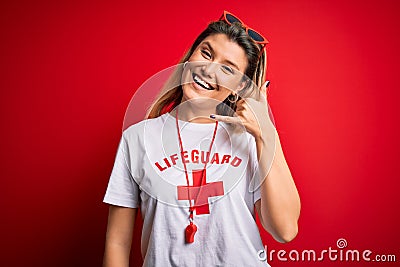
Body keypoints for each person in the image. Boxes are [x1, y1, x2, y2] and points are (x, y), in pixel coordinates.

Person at [103, 11, 300, 267]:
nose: (208, 69)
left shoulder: (249, 139)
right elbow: (117, 242)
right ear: (190, 56)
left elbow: (284, 230)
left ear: (240, 86)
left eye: (227, 69)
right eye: (206, 53)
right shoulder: (137, 139)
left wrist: (265, 133)